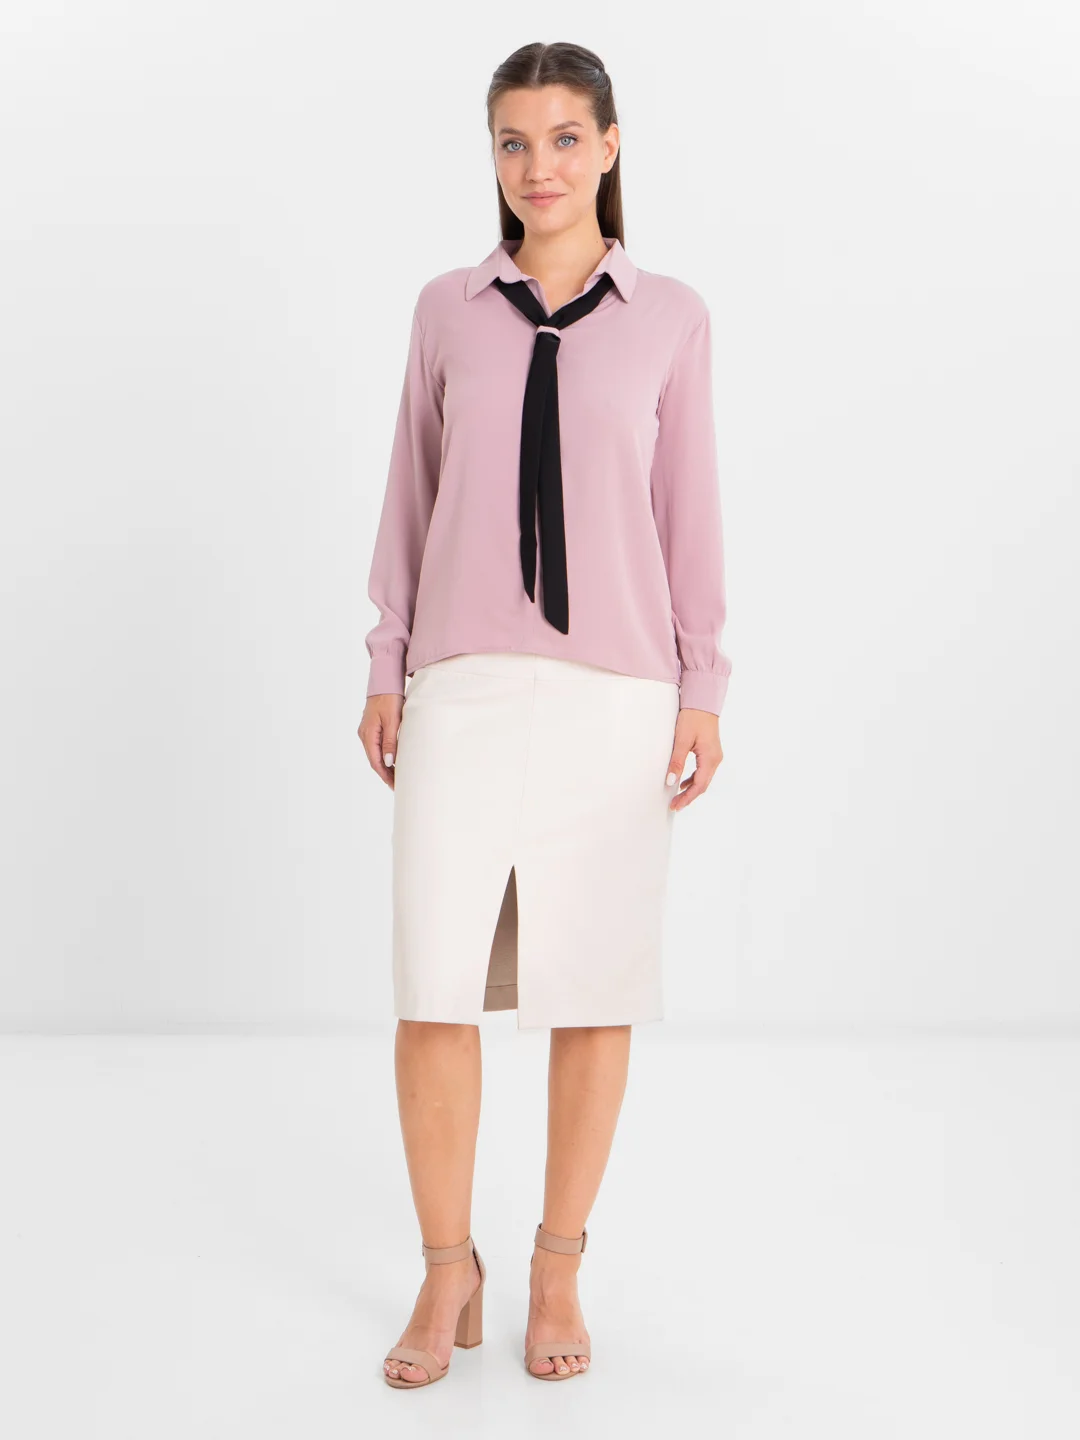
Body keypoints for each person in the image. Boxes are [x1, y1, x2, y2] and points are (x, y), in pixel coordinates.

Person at [358, 41, 732, 1388]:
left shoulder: (672, 317)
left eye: (566, 139)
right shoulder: (447, 310)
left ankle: (558, 1264)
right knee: (432, 988)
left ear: (611, 147)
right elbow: (411, 492)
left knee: (591, 986)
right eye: (514, 142)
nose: (540, 167)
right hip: (460, 682)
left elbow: (688, 510)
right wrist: (388, 663)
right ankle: (444, 1267)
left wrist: (703, 684)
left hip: (616, 691)